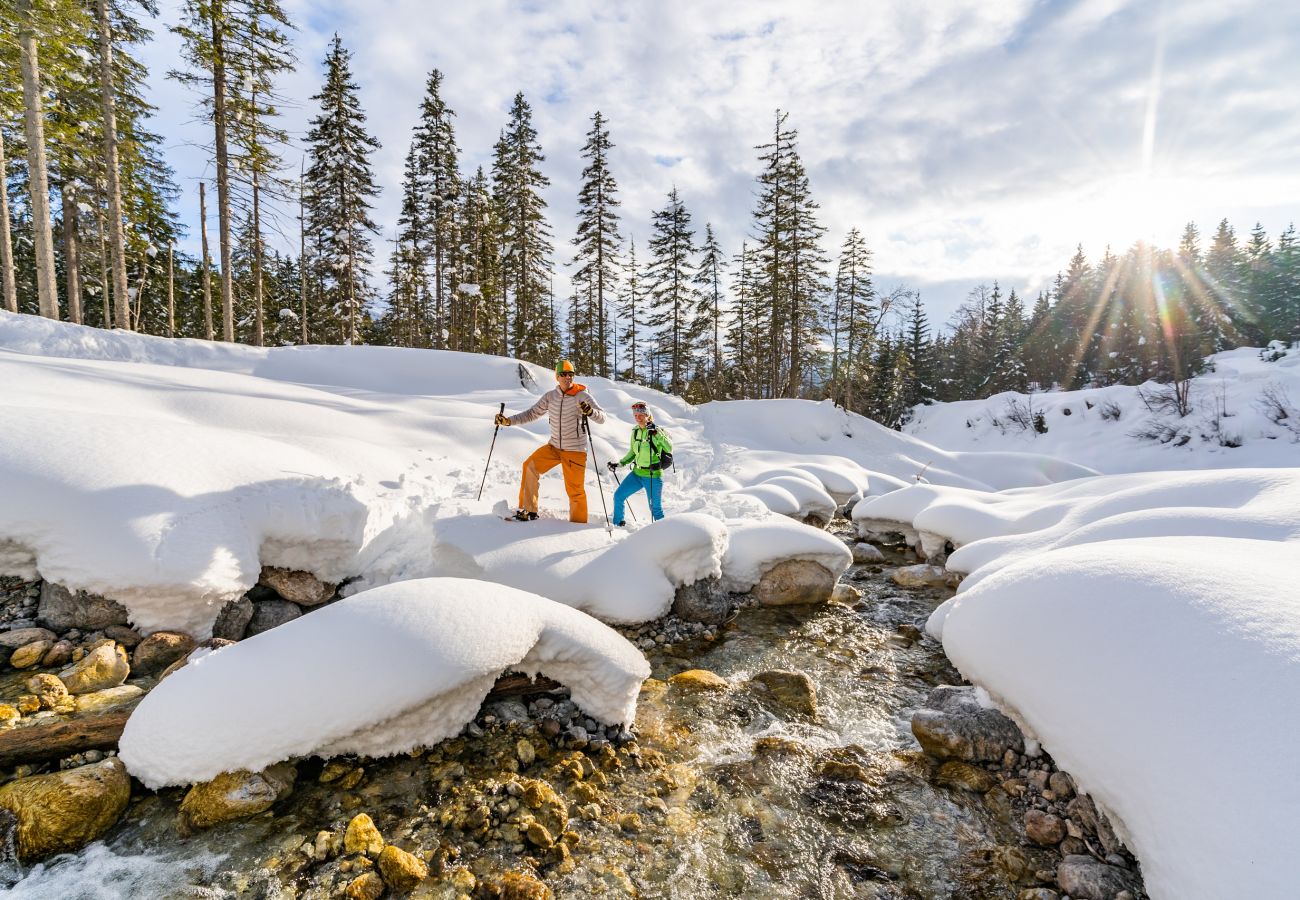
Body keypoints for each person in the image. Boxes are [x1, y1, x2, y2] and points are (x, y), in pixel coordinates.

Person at [495, 360, 606, 522]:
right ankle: (528, 510)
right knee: (530, 466)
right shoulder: (550, 397)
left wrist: (590, 412)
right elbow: (531, 413)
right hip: (554, 447)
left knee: (575, 491)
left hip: (575, 450)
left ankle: (578, 526)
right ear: (557, 376)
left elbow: (602, 417)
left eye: (570, 374)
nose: (567, 378)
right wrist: (508, 421)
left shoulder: (582, 396)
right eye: (563, 374)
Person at [607, 401, 672, 526]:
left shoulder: (657, 431)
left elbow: (669, 448)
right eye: (636, 415)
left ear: (648, 415)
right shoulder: (636, 431)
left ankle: (665, 535)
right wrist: (620, 464)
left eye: (641, 415)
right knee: (619, 496)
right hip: (637, 474)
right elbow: (633, 452)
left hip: (653, 475)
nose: (638, 418)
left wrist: (656, 433)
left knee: (655, 509)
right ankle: (618, 524)